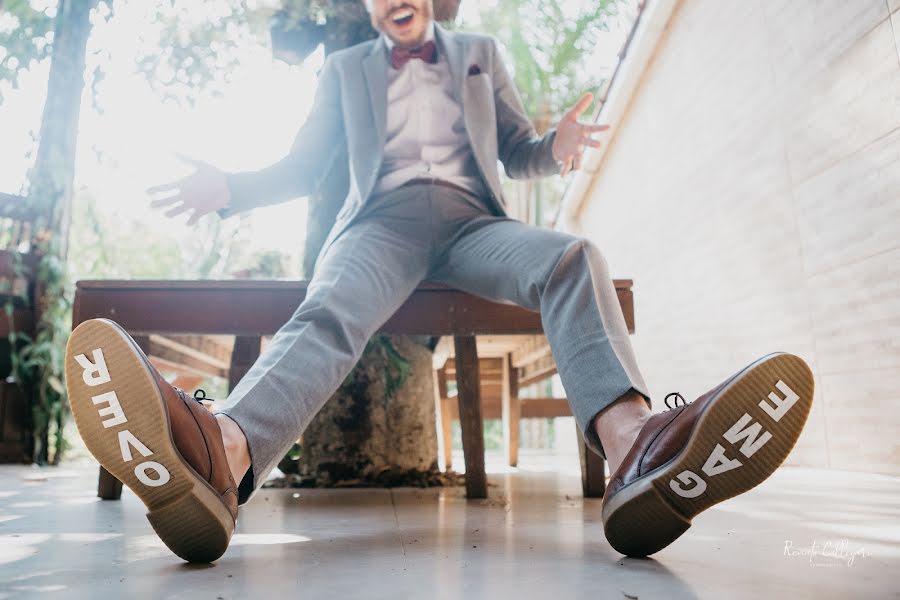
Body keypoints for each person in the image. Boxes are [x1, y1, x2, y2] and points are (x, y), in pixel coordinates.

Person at [64, 0, 814, 563]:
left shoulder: (481, 52)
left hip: (473, 225)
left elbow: (518, 149)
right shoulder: (342, 69)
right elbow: (304, 164)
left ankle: (637, 454)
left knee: (574, 256)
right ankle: (220, 454)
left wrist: (556, 148)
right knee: (329, 308)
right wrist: (233, 187)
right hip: (379, 225)